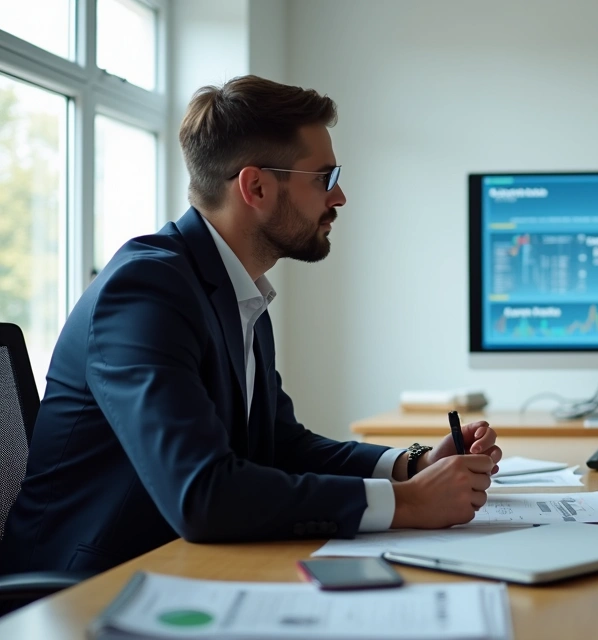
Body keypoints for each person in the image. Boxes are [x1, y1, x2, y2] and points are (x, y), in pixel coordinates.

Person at [0, 76, 502, 574]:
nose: (340, 196)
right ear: (256, 186)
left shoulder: (235, 287)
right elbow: (202, 493)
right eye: (324, 177)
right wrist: (408, 503)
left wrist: (408, 467)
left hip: (180, 569)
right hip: (79, 592)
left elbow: (280, 445)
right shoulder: (145, 292)